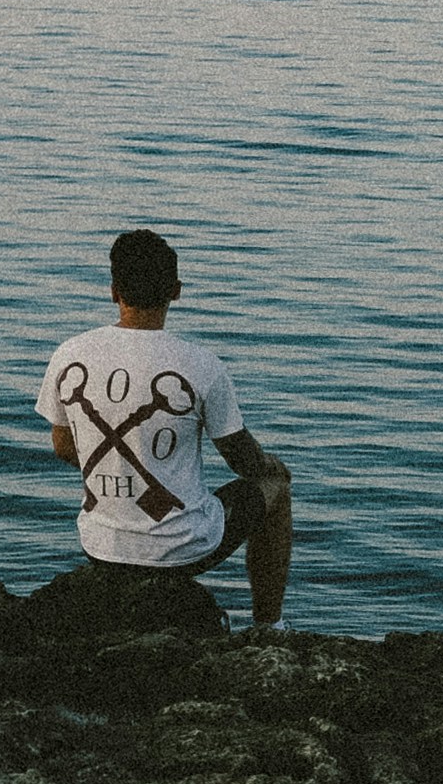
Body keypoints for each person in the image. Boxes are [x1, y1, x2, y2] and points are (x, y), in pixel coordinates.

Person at [36, 229, 294, 626]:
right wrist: (271, 466)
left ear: (113, 290)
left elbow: (64, 448)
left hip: (100, 545)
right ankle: (269, 627)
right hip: (181, 551)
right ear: (176, 291)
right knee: (276, 491)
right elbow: (244, 462)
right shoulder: (201, 365)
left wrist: (122, 475)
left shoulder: (70, 353)